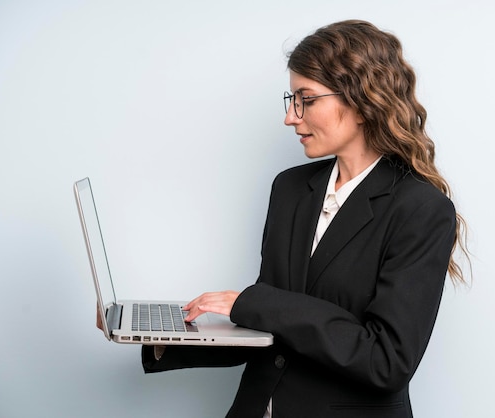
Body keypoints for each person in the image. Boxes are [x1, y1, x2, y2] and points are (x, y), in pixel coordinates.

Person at [139, 19, 469, 418]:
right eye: (291, 99)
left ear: (361, 101)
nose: (291, 117)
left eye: (306, 99)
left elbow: (386, 362)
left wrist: (256, 302)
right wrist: (161, 336)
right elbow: (271, 331)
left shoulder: (421, 209)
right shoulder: (291, 189)